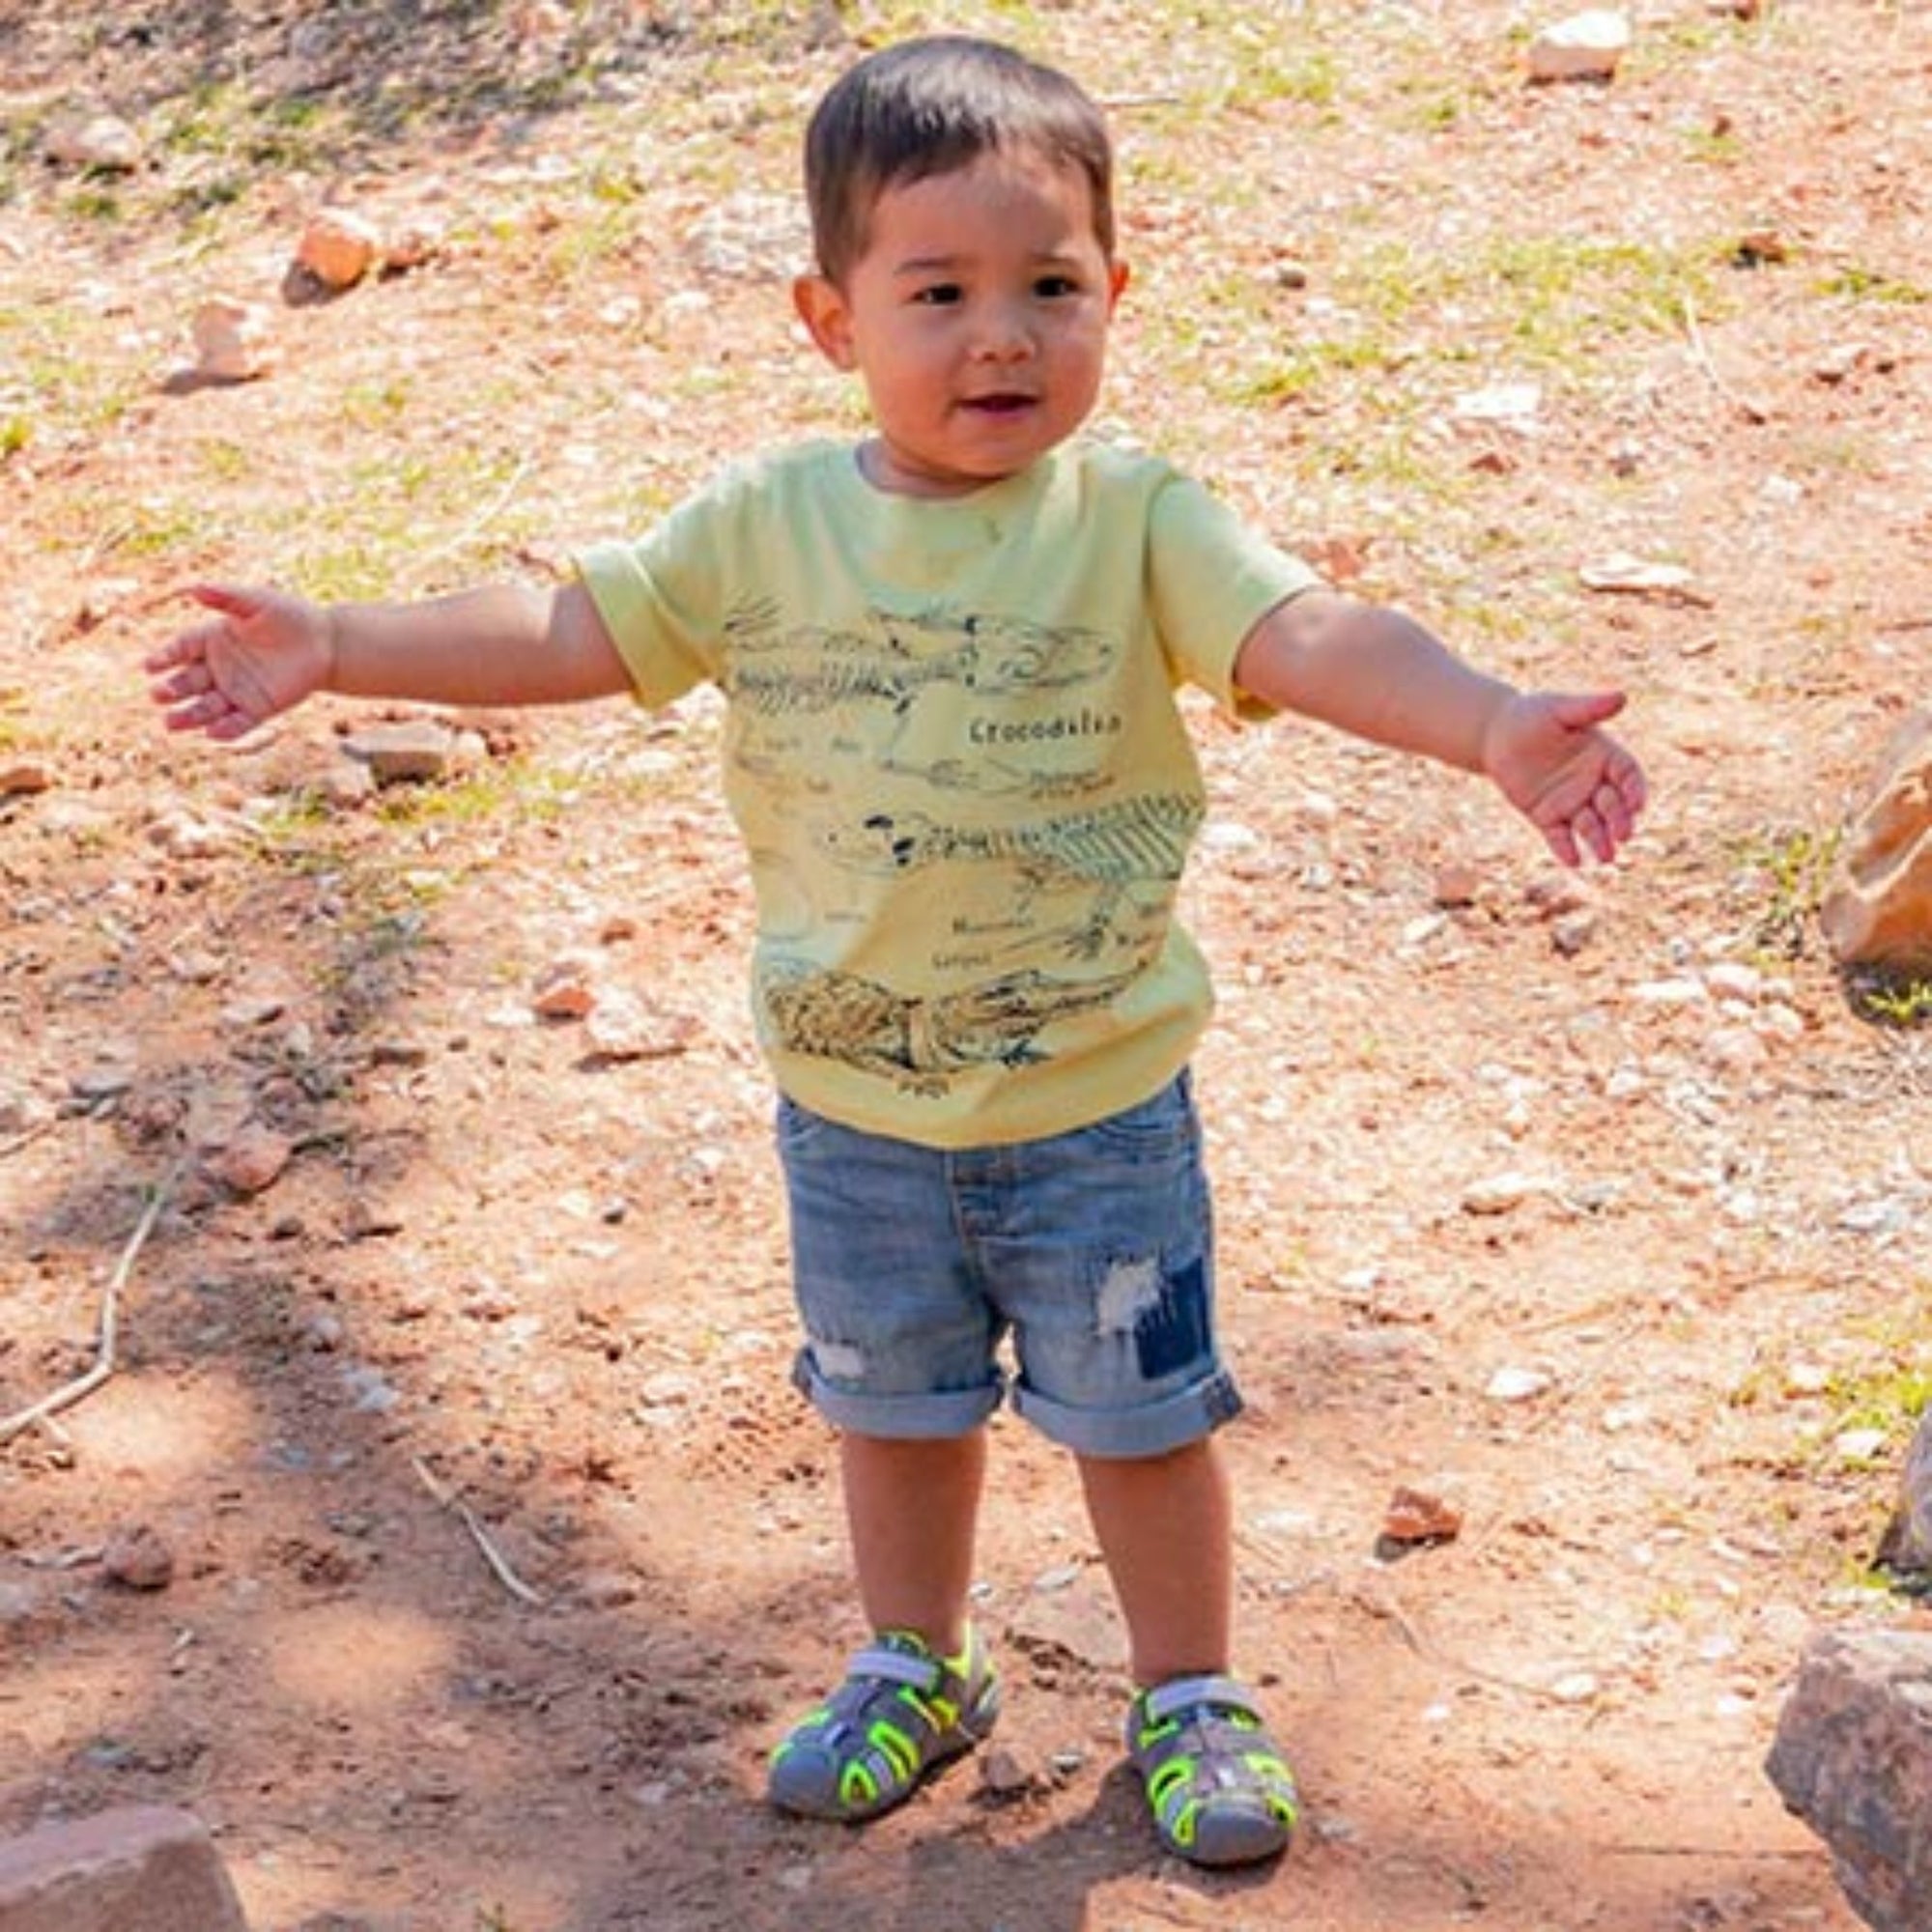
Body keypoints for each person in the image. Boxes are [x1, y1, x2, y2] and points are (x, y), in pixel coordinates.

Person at [147, 34, 1646, 1870]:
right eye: (937, 292)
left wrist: (1488, 717)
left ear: (1116, 290)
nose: (1000, 335)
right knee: (895, 1406)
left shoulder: (1138, 522)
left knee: (1142, 1416)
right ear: (827, 315)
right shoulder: (768, 526)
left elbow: (1313, 637)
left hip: (1096, 1099)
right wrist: (342, 641)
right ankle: (918, 1664)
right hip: (853, 1097)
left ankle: (1188, 1691)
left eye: (1050, 287)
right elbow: (567, 630)